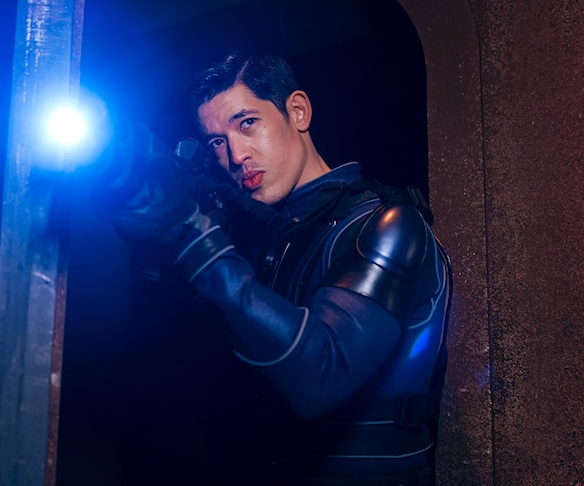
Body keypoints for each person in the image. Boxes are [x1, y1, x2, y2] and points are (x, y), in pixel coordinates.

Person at [105, 52, 452, 485]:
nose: (236, 154)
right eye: (216, 142)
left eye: (247, 123)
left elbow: (321, 375)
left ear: (298, 112)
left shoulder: (387, 225)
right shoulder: (267, 238)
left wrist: (191, 233)